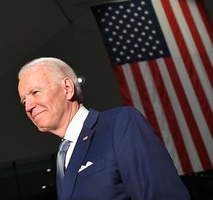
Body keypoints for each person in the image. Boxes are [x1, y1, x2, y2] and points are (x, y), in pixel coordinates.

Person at [17, 57, 191, 200]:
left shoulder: (120, 124)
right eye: (24, 101)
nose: (28, 106)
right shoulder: (63, 156)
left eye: (35, 92)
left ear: (67, 88)